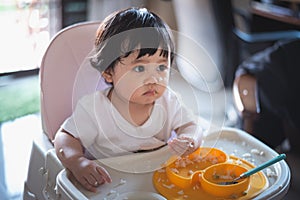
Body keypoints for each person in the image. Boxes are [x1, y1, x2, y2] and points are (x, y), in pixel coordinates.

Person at [54, 7, 203, 192]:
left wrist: (190, 138)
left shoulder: (168, 101)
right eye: (140, 68)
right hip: (111, 185)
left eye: (162, 67)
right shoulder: (96, 109)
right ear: (108, 72)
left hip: (159, 181)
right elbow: (65, 137)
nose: (153, 79)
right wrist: (77, 162)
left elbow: (192, 125)